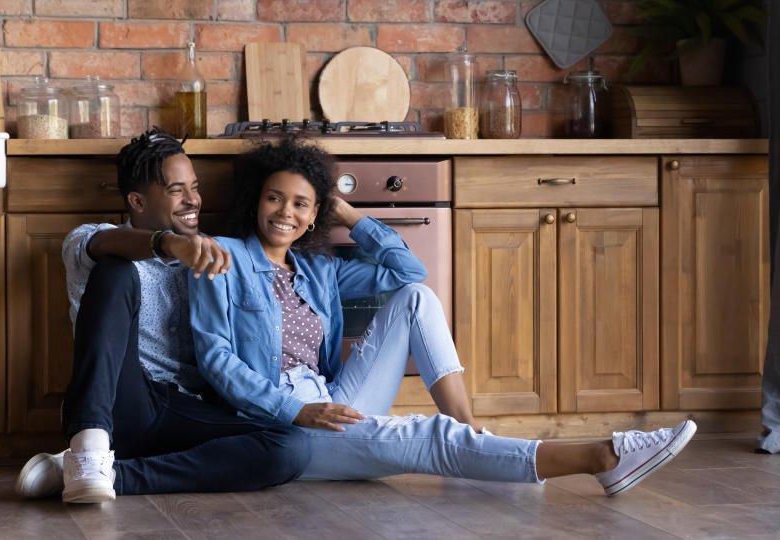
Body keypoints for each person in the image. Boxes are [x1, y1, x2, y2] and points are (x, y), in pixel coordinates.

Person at [187, 137, 697, 495]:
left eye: (302, 203)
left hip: (332, 400)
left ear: (315, 213)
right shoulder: (222, 258)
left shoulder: (318, 270)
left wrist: (349, 215)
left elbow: (410, 271)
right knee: (427, 438)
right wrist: (295, 411)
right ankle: (602, 458)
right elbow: (217, 361)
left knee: (419, 299)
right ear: (257, 200)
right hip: (283, 427)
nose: (285, 212)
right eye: (275, 198)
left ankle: (474, 434)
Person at [14, 128, 311, 503]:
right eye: (176, 191)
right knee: (115, 269)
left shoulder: (216, 254)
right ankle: (90, 449)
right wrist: (167, 244)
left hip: (185, 411)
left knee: (290, 447)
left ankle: (103, 475)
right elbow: (104, 244)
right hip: (120, 402)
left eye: (195, 187)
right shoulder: (90, 239)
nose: (193, 200)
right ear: (137, 201)